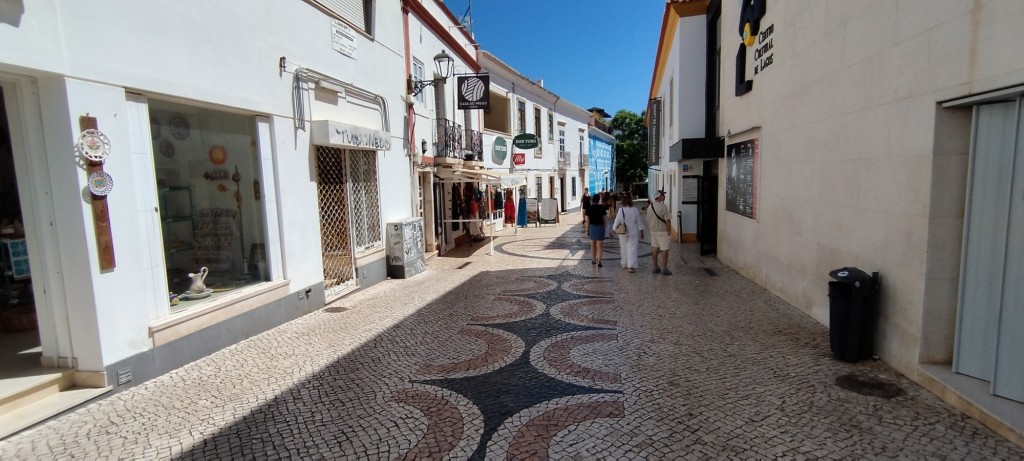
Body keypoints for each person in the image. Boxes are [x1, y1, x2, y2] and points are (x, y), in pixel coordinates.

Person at [612, 193, 645, 273]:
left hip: (623, 231)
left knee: (623, 247)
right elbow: (639, 221)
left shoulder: (621, 210)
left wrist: (614, 228)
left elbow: (617, 220)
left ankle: (624, 263)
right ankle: (631, 266)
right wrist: (641, 231)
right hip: (633, 231)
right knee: (632, 248)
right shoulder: (635, 209)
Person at [647, 189, 672, 275]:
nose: (664, 196)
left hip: (653, 231)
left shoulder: (650, 207)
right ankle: (664, 268)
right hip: (663, 231)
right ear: (659, 197)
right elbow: (667, 220)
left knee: (655, 248)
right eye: (663, 195)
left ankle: (655, 266)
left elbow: (648, 219)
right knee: (665, 249)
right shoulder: (663, 207)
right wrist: (669, 230)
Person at [584, 194, 609, 267]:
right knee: (600, 246)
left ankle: (593, 260)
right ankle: (599, 261)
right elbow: (605, 219)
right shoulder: (602, 208)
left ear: (592, 200)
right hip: (600, 227)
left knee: (593, 245)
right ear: (598, 200)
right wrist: (604, 227)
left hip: (592, 227)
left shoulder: (589, 208)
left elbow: (587, 220)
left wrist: (587, 230)